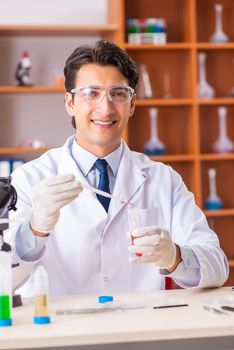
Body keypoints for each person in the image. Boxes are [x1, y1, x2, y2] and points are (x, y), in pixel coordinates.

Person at [6, 40, 228, 296]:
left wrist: (174, 256)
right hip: (60, 332)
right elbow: (4, 277)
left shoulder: (163, 179)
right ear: (70, 102)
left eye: (118, 93)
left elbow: (217, 267)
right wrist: (34, 229)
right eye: (91, 93)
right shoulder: (28, 179)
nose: (106, 107)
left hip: (142, 329)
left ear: (132, 104)